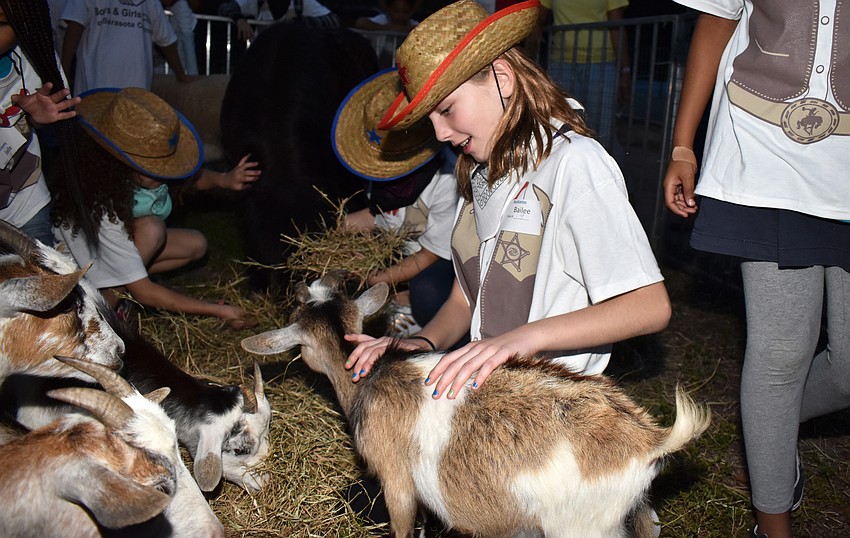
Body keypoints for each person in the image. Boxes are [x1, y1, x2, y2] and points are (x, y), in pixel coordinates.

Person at [345, 1, 669, 404]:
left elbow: (648, 306)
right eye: (431, 121)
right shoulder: (475, 174)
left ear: (502, 77)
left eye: (446, 109)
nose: (441, 134)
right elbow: (464, 301)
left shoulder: (574, 163)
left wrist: (522, 340)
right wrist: (421, 344)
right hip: (496, 396)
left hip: (558, 404)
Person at [662, 2, 850, 537]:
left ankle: (771, 432)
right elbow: (716, 22)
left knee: (847, 371)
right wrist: (683, 145)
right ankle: (771, 523)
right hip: (765, 156)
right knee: (778, 356)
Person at [50, 87, 257, 328]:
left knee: (195, 244)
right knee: (151, 230)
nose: (164, 174)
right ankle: (98, 316)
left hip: (110, 258)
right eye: (154, 168)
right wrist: (217, 311)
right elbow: (144, 292)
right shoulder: (103, 205)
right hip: (78, 274)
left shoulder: (135, 176)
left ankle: (117, 288)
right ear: (117, 161)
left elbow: (189, 180)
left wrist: (224, 180)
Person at [332, 67, 458, 335]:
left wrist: (378, 280)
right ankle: (395, 300)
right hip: (400, 245)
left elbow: (430, 254)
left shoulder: (447, 180)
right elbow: (381, 215)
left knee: (428, 292)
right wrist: (343, 236)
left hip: (439, 258)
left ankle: (416, 313)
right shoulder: (381, 175)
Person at [0, 0, 80, 246]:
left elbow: (31, 125)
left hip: (23, 205)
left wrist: (39, 120)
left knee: (39, 282)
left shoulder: (37, 55)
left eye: (1, 23)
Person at [534, 0, 631, 157]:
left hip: (601, 63)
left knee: (602, 131)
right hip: (561, 62)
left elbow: (617, 25)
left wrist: (625, 69)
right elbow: (537, 17)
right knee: (560, 126)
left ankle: (606, 175)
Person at [60, 0, 195, 95]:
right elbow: (74, 27)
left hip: (131, 93)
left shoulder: (150, 2)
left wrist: (180, 74)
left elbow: (166, 40)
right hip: (97, 90)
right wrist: (62, 72)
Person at [218, 0, 339, 44]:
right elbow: (225, 7)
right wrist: (239, 19)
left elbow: (333, 20)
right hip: (264, 56)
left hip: (294, 56)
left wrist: (299, 22)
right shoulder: (257, 2)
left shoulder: (300, 3)